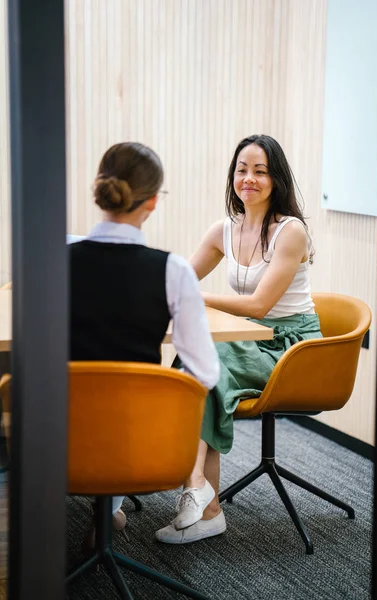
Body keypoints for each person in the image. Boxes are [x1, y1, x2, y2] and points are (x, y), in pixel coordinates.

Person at [156, 134, 322, 544]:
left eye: (260, 171)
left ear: (276, 179)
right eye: (242, 170)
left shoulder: (291, 232)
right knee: (198, 368)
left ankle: (200, 497)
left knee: (206, 365)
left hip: (289, 347)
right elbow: (179, 279)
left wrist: (193, 295)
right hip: (246, 340)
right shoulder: (224, 229)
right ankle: (203, 502)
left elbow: (261, 306)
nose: (249, 178)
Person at [68, 142, 220, 545]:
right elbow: (204, 371)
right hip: (142, 440)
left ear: (99, 191)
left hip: (55, 436)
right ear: (153, 201)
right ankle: (109, 507)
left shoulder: (51, 260)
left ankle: (107, 510)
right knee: (131, 409)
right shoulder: (172, 271)